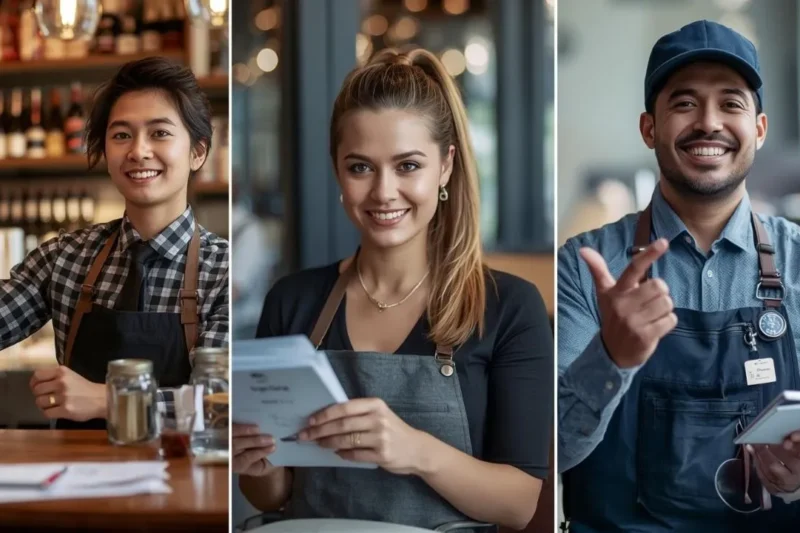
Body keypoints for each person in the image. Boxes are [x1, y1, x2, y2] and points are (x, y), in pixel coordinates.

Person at [232, 48, 553, 531]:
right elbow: (275, 494)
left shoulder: (509, 307)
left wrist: (415, 450)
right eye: (361, 167)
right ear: (338, 170)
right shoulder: (293, 300)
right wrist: (257, 465)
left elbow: (521, 504)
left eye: (407, 166)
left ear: (445, 166)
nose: (383, 192)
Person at [558, 20, 800, 532]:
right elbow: (546, 452)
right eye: (685, 103)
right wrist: (611, 357)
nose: (708, 122)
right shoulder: (585, 264)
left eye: (731, 103)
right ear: (650, 128)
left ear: (759, 128)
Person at [0, 57, 229, 428]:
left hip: (183, 480)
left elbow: (221, 405)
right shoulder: (66, 256)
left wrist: (108, 399)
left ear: (198, 152)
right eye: (121, 135)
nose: (138, 151)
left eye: (160, 133)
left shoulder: (222, 270)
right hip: (76, 478)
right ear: (105, 152)